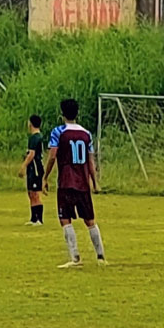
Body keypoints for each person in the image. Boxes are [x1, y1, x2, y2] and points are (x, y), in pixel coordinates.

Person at [43, 99, 106, 268]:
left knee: (65, 218)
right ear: (77, 113)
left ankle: (75, 257)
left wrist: (45, 176)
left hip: (66, 182)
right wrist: (95, 182)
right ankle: (100, 256)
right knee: (90, 220)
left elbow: (52, 156)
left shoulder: (58, 132)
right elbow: (91, 162)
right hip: (83, 182)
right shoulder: (86, 134)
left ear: (61, 114)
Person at [19, 114, 45, 226]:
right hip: (32, 168)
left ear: (31, 123)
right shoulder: (35, 137)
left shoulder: (35, 137)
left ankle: (39, 219)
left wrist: (23, 166)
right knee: (30, 193)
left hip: (35, 168)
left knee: (35, 194)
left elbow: (32, 154)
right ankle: (33, 218)